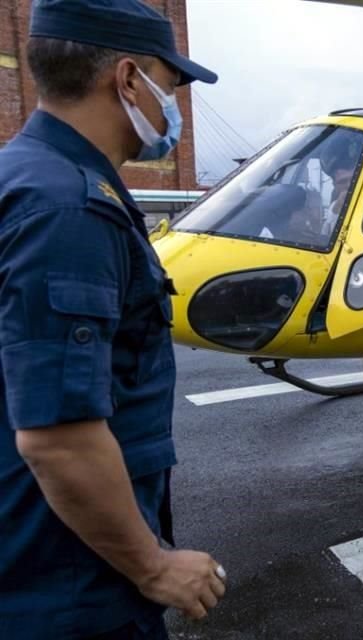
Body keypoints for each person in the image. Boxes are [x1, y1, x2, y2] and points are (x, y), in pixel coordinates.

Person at [0, 2, 225, 638]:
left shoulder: (26, 177)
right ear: (128, 79)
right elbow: (58, 437)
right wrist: (152, 565)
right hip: (68, 580)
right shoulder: (69, 208)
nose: (173, 107)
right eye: (171, 85)